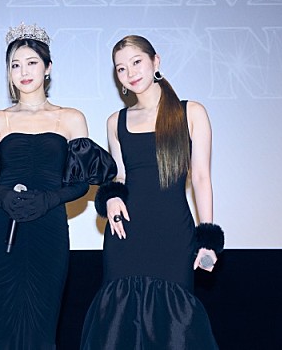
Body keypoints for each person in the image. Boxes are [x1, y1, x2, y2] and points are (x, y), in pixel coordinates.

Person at [0, 23, 117, 350]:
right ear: (8, 73)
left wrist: (48, 199)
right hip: (3, 228)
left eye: (31, 63)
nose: (23, 72)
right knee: (2, 325)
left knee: (42, 324)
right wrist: (2, 195)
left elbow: (81, 183)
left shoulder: (71, 118)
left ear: (48, 68)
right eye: (15, 65)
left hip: (49, 228)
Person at [80, 35, 224, 350]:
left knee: (173, 328)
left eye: (136, 62)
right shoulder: (115, 121)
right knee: (120, 324)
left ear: (155, 61)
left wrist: (208, 240)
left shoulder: (191, 112)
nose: (130, 72)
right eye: (121, 68)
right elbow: (120, 174)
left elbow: (201, 177)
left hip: (173, 234)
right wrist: (111, 196)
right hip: (126, 235)